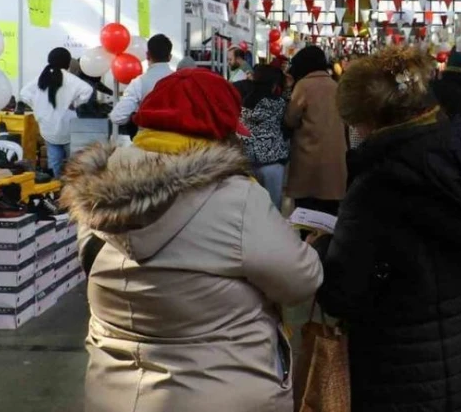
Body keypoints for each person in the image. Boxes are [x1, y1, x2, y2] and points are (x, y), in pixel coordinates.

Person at [61, 69, 322, 412]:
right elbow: (300, 281)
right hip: (222, 391)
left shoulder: (94, 189)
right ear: (221, 130)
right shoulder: (235, 198)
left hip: (112, 393)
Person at [315, 46, 461, 411]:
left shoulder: (378, 186)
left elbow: (342, 292)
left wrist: (320, 247)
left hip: (410, 368)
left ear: (371, 120)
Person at [284, 46, 347, 218]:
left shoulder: (304, 86)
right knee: (329, 217)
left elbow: (290, 119)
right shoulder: (337, 86)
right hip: (335, 160)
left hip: (308, 160)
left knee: (306, 216)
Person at [20, 48, 94, 177]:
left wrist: (36, 106)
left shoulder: (41, 78)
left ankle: (56, 189)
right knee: (74, 163)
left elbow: (23, 93)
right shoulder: (71, 79)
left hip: (47, 127)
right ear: (67, 62)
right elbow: (87, 90)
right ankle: (72, 190)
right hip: (68, 127)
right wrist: (75, 103)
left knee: (54, 162)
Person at [240, 64, 289, 209]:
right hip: (273, 163)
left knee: (251, 209)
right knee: (272, 210)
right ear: (274, 85)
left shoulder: (245, 104)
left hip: (247, 163)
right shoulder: (279, 104)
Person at [109, 34, 175, 128]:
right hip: (177, 139)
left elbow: (117, 117)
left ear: (147, 55)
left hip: (148, 139)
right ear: (170, 57)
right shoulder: (181, 80)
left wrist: (135, 116)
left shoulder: (138, 83)